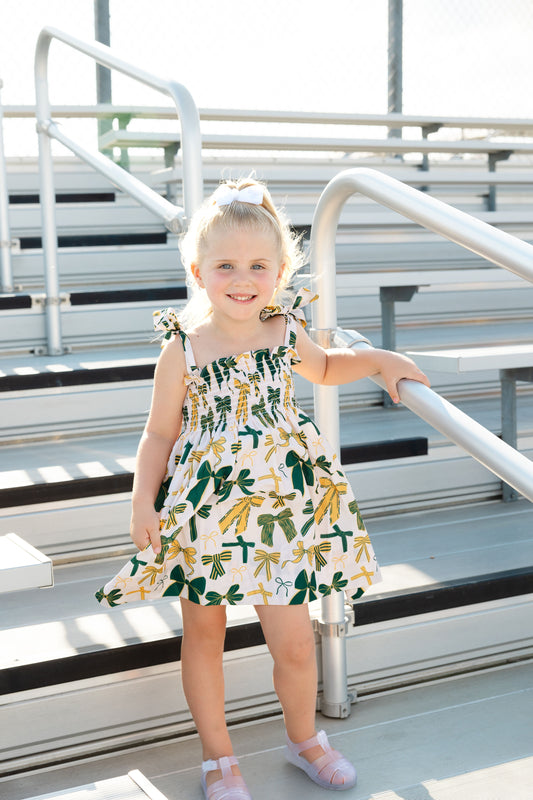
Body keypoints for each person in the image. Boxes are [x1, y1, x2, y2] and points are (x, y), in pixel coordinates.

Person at [96, 178, 430, 799]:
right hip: (207, 515)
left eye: (257, 265)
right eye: (225, 265)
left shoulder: (281, 332)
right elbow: (157, 435)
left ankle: (305, 738)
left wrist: (380, 359)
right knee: (205, 634)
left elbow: (328, 367)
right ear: (199, 272)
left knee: (296, 642)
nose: (242, 278)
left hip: (280, 512)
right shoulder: (185, 349)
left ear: (278, 273)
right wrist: (142, 499)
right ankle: (219, 759)